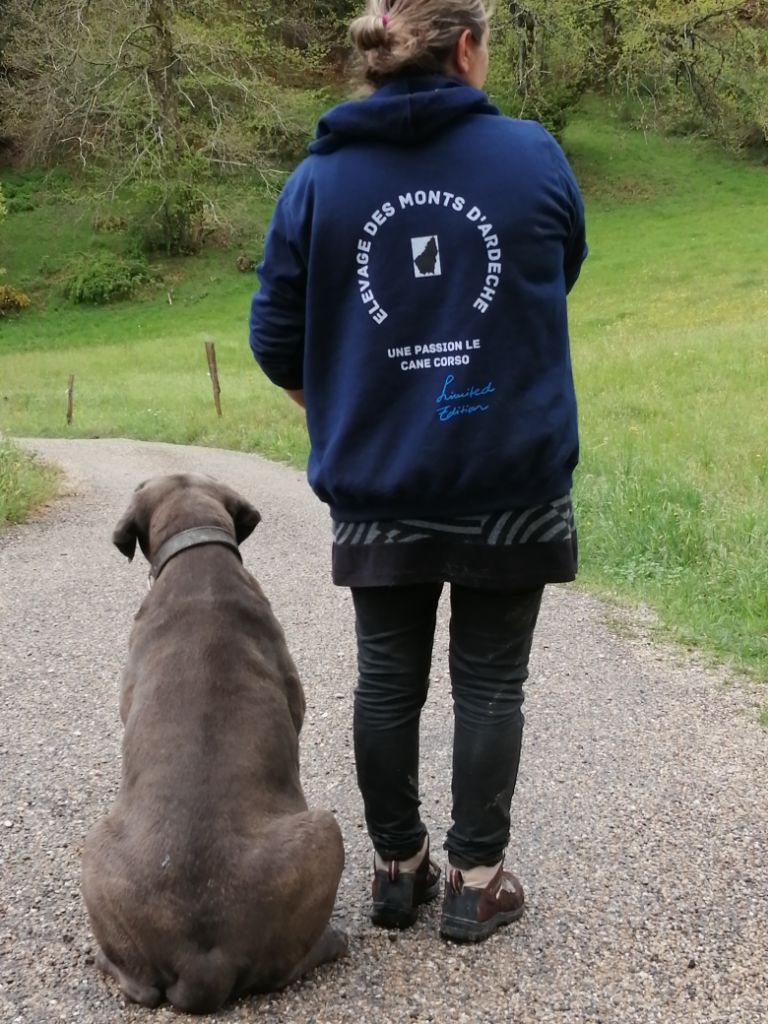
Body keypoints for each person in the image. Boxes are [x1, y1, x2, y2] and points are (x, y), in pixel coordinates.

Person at [249, 0, 587, 944]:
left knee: (386, 680)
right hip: (508, 479)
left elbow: (276, 339)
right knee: (491, 682)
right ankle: (477, 883)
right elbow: (556, 273)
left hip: (380, 486)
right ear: (467, 46)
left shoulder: (317, 181)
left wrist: (356, 407)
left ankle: (398, 873)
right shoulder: (534, 157)